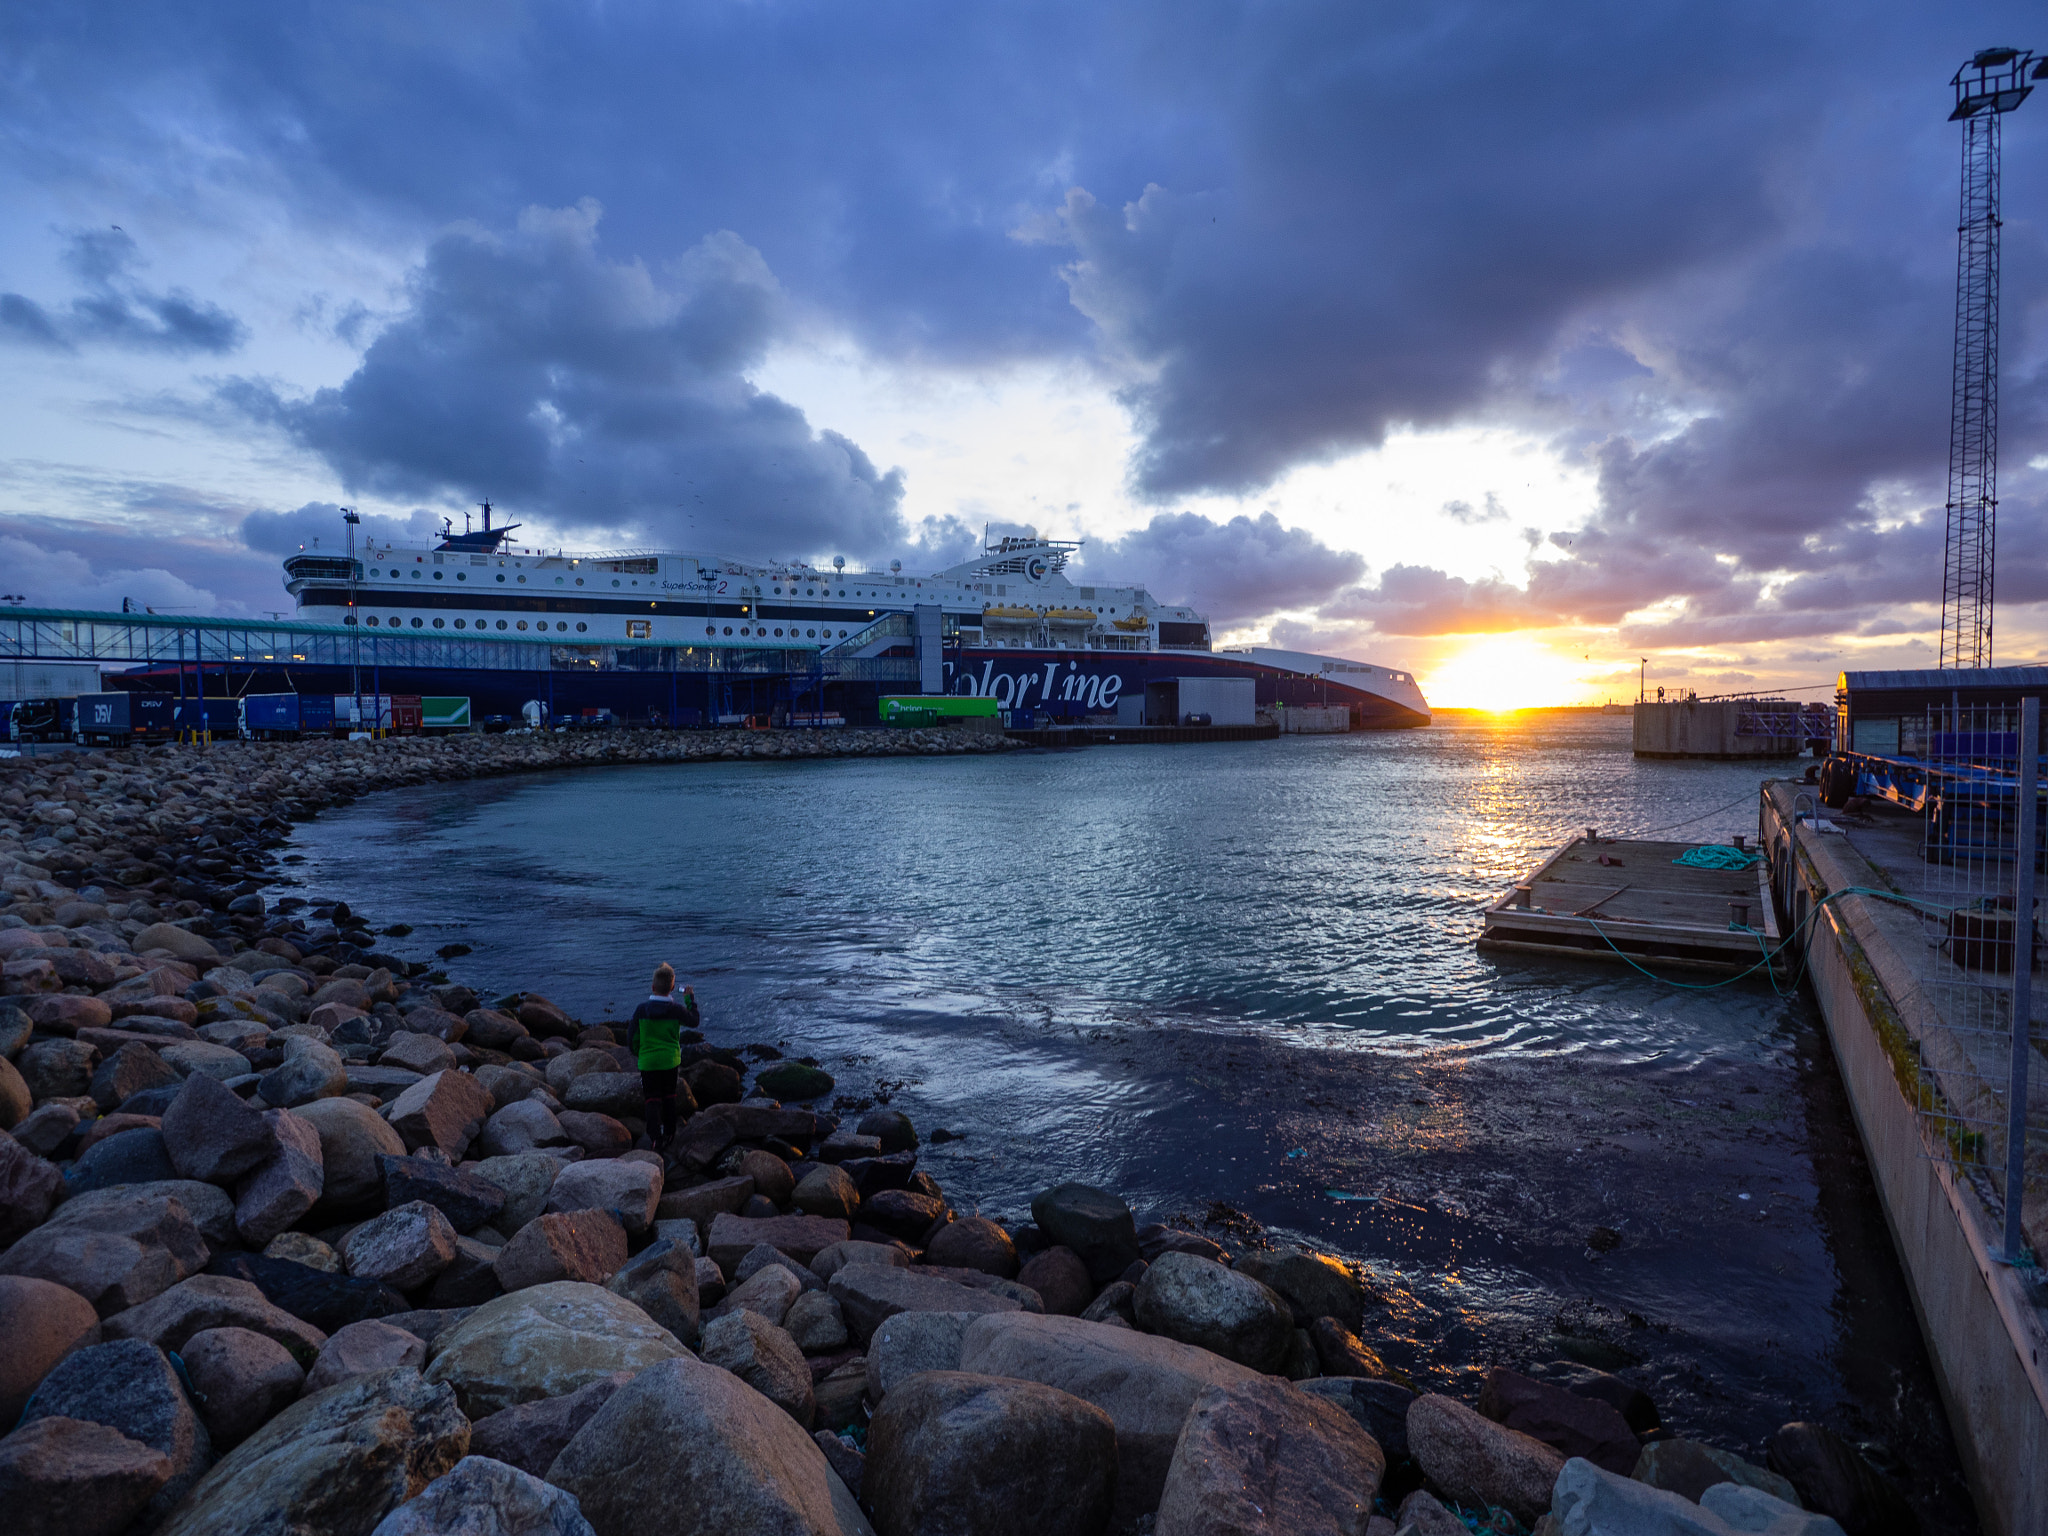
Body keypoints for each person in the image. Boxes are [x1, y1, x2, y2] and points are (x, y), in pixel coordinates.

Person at [627, 963, 698, 1149]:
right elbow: (694, 1020)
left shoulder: (641, 1010)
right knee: (669, 1097)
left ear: (652, 987)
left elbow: (632, 1037)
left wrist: (639, 1052)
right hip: (669, 1061)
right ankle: (670, 1133)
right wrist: (690, 999)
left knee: (651, 1099)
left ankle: (655, 1138)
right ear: (672, 988)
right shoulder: (676, 1010)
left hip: (648, 1062)